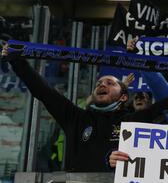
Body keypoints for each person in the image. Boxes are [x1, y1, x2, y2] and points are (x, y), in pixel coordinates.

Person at [1, 43, 130, 172]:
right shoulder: (76, 118)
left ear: (123, 97)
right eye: (98, 84)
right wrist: (16, 60)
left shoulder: (133, 120)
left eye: (110, 83)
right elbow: (44, 91)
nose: (102, 85)